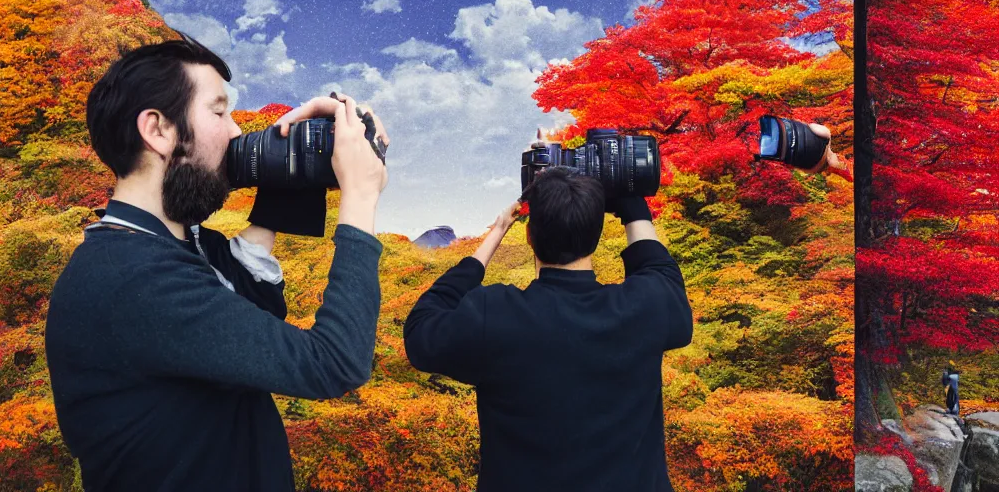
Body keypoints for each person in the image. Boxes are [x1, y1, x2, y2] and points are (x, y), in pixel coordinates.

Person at [45, 34, 389, 491]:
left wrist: (292, 160)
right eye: (219, 111)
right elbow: (333, 363)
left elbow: (250, 309)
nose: (234, 132)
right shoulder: (132, 279)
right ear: (159, 130)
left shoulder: (173, 244)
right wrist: (361, 195)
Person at [403, 166, 693, 492]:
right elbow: (657, 269)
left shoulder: (496, 315)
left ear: (530, 236)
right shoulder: (643, 307)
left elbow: (420, 331)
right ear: (596, 236)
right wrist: (634, 209)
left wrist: (496, 233)